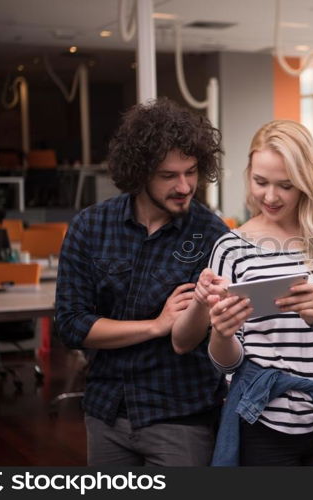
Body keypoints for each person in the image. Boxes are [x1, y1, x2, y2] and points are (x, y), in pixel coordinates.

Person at [172, 119, 313, 466]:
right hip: (263, 420)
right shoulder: (231, 247)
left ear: (306, 181)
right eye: (260, 182)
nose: (270, 197)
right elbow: (229, 363)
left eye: (285, 185)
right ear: (249, 176)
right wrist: (222, 334)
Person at [55, 97, 228, 466]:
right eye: (169, 176)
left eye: (192, 172)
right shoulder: (91, 227)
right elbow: (71, 325)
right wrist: (155, 326)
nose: (185, 186)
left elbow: (200, 336)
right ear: (139, 173)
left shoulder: (211, 235)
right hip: (106, 412)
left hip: (180, 416)